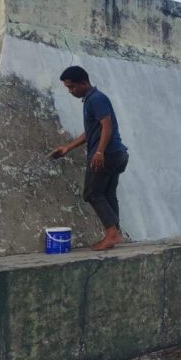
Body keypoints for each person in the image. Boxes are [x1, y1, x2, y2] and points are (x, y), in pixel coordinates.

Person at [51, 66, 129, 250]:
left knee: (92, 193)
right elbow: (92, 131)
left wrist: (99, 152)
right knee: (108, 193)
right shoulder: (92, 99)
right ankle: (115, 233)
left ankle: (111, 234)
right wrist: (67, 148)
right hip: (117, 154)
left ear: (84, 83)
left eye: (72, 87)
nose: (70, 91)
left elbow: (107, 127)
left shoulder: (96, 99)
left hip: (108, 154)